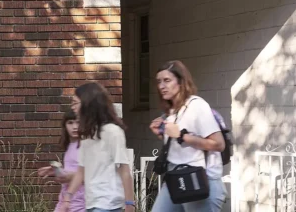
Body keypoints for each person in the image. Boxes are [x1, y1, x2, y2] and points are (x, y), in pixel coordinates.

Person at [147, 61, 226, 212]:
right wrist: (162, 134)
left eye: (167, 80)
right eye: (159, 82)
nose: (161, 86)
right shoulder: (171, 112)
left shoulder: (197, 106)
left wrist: (182, 136)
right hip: (175, 179)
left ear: (181, 82)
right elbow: (180, 148)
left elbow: (218, 144)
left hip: (200, 182)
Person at [59, 82, 135, 212]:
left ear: (88, 104)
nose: (73, 108)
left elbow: (124, 171)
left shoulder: (113, 132)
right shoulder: (86, 135)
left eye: (75, 103)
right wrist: (67, 198)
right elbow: (81, 171)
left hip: (109, 204)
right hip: (92, 203)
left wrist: (130, 204)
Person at [38, 108, 85, 212]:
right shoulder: (69, 147)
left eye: (78, 122)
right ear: (65, 126)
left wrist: (70, 176)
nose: (75, 127)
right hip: (65, 200)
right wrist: (56, 170)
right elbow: (72, 170)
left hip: (80, 202)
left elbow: (90, 174)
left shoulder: (85, 146)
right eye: (70, 123)